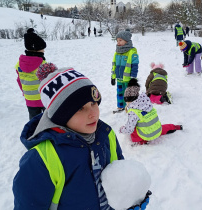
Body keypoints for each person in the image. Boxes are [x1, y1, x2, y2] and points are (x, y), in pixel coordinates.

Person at [12, 64, 151, 210]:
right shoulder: (41, 160)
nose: (93, 113)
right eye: (80, 108)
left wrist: (132, 197)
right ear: (61, 116)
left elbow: (120, 176)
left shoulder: (105, 134)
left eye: (93, 103)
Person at [120, 79, 182, 145]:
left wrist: (122, 129)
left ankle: (143, 141)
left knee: (133, 131)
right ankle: (175, 127)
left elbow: (129, 129)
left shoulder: (133, 111)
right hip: (157, 130)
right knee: (161, 128)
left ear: (129, 100)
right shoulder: (146, 103)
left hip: (146, 135)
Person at [15, 28, 47, 120]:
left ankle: (33, 133)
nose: (43, 51)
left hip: (29, 99)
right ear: (36, 50)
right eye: (42, 49)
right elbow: (48, 82)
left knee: (33, 121)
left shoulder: (19, 64)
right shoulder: (43, 65)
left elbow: (19, 81)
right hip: (43, 98)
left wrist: (24, 92)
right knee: (47, 120)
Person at [111, 29, 139, 113]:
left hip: (128, 79)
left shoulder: (132, 52)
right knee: (120, 93)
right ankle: (120, 106)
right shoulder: (117, 52)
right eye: (117, 40)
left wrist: (133, 77)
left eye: (120, 40)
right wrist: (113, 77)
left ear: (126, 41)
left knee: (129, 94)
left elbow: (135, 66)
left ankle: (132, 106)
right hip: (119, 78)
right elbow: (114, 65)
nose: (118, 42)